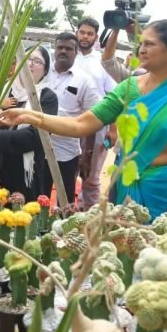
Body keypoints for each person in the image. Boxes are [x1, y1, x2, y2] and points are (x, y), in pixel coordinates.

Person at [2, 20, 167, 223]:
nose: (141, 50)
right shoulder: (129, 87)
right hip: (128, 196)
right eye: (141, 43)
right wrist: (31, 116)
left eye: (150, 44)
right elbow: (82, 124)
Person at [0, 47, 58, 200]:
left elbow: (36, 136)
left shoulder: (47, 97)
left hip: (27, 170)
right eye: (28, 58)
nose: (30, 64)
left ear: (45, 71)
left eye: (37, 61)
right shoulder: (4, 90)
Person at [45, 32, 101, 207]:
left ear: (76, 52)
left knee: (65, 202)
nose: (63, 51)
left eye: (68, 48)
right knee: (38, 196)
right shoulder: (43, 73)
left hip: (67, 151)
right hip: (37, 147)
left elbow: (92, 119)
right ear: (54, 49)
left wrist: (87, 155)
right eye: (60, 47)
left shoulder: (84, 81)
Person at [72, 17, 117, 209]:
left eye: (90, 34)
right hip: (67, 123)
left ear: (96, 37)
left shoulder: (102, 62)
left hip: (97, 124)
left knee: (91, 177)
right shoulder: (66, 56)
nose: (85, 36)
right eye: (82, 32)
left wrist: (113, 129)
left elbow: (114, 95)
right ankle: (64, 213)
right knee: (67, 170)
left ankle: (90, 218)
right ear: (77, 32)